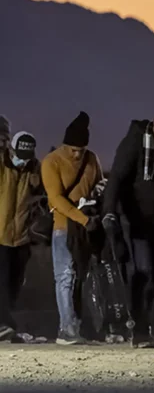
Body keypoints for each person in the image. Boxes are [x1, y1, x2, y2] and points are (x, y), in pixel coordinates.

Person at [103, 108, 154, 348]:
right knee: (144, 271)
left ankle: (142, 326)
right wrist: (109, 211)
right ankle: (137, 328)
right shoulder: (135, 142)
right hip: (135, 220)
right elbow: (117, 177)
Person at [41, 112, 102, 346]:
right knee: (65, 276)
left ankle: (76, 326)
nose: (77, 154)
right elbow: (55, 198)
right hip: (64, 226)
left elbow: (96, 183)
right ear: (64, 145)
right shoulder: (52, 161)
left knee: (80, 278)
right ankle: (65, 329)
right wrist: (82, 219)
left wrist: (98, 191)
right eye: (72, 149)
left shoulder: (92, 158)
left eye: (81, 149)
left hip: (87, 227)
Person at [0, 131, 44, 343]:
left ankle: (5, 325)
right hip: (0, 236)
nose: (22, 160)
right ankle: (4, 324)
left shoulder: (34, 168)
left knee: (14, 283)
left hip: (22, 238)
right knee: (1, 283)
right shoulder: (2, 164)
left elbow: (39, 196)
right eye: (19, 155)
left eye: (26, 156)